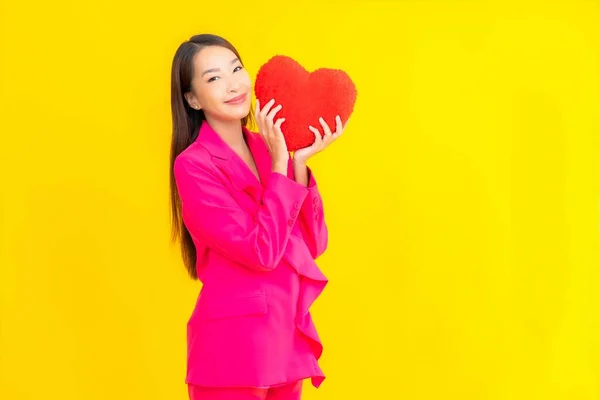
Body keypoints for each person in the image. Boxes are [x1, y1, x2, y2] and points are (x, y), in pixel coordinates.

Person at [169, 34, 346, 400]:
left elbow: (312, 245)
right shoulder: (193, 166)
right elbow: (261, 252)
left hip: (285, 341)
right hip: (233, 351)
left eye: (236, 69)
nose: (234, 84)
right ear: (192, 99)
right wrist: (281, 164)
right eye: (214, 78)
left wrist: (297, 163)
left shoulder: (269, 150)